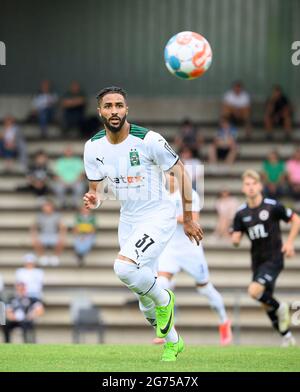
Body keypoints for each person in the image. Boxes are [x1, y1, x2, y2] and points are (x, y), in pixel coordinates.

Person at [83, 86, 203, 361]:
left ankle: (165, 299)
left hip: (157, 216)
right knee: (144, 304)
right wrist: (95, 200)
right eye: (109, 106)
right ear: (100, 111)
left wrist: (187, 218)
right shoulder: (93, 147)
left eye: (119, 105)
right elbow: (98, 190)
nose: (114, 111)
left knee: (123, 267)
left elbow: (181, 172)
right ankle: (173, 343)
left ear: (127, 109)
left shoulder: (149, 140)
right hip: (128, 220)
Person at [156, 173, 232, 346]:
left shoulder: (190, 195)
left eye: (172, 175)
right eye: (167, 175)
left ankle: (224, 321)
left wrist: (170, 218)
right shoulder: (161, 195)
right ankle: (167, 329)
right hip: (170, 248)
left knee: (204, 288)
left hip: (191, 248)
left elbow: (194, 220)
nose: (169, 178)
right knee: (161, 284)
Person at [231, 170, 300, 347]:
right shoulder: (241, 213)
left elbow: (296, 220)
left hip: (274, 258)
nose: (251, 187)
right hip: (257, 261)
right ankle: (287, 337)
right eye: (247, 184)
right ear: (243, 188)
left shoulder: (272, 205)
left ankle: (280, 307)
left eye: (254, 184)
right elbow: (236, 238)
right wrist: (235, 239)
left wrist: (290, 243)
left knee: (254, 292)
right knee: (265, 302)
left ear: (260, 186)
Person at [31, 200, 66, 266]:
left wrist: (61, 236)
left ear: (52, 207)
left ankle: (55, 257)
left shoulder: (57, 215)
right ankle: (42, 257)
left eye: (47, 207)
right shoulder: (40, 216)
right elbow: (34, 227)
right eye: (45, 207)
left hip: (54, 234)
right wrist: (34, 236)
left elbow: (62, 227)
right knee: (36, 241)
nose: (46, 208)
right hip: (43, 234)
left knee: (61, 241)